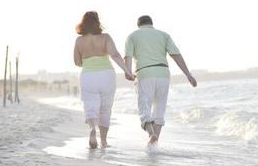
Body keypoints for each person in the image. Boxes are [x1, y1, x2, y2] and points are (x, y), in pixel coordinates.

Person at [124, 15, 197, 146]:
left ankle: (151, 134)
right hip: (163, 74)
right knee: (159, 110)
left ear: (139, 25)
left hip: (144, 73)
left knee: (144, 107)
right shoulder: (164, 35)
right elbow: (176, 55)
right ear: (151, 23)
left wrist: (128, 72)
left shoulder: (132, 36)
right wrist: (188, 74)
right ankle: (154, 144)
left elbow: (128, 56)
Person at [74, 11, 134, 149]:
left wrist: (89, 61)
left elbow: (77, 62)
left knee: (90, 105)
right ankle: (104, 141)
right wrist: (127, 71)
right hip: (107, 75)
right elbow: (116, 55)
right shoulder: (105, 37)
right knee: (106, 108)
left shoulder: (79, 41)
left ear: (83, 23)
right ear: (97, 22)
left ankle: (92, 130)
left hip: (88, 76)